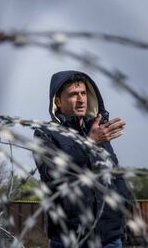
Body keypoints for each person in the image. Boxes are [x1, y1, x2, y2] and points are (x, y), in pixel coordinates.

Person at [34, 70, 131, 248]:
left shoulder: (98, 130)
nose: (81, 99)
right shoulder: (45, 134)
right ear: (58, 101)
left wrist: (125, 217)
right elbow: (54, 173)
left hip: (110, 238)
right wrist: (90, 143)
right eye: (73, 94)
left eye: (83, 93)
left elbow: (115, 176)